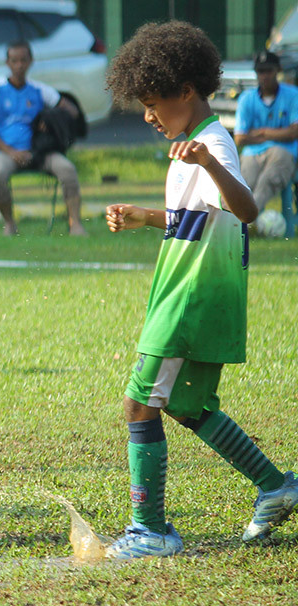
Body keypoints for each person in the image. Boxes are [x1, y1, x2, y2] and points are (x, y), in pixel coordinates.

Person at [103, 20, 298, 559]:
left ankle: (151, 530)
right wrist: (145, 216)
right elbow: (198, 216)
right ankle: (276, 484)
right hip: (189, 290)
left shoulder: (212, 143)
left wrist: (211, 161)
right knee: (188, 405)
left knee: (139, 403)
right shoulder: (193, 145)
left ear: (185, 91)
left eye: (152, 103)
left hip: (191, 296)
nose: (147, 116)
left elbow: (248, 209)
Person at [0, 40, 86, 236]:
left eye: (23, 60)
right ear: (7, 63)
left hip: (39, 151)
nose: (19, 65)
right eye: (14, 61)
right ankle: (9, 223)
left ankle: (75, 224)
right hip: (6, 152)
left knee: (67, 170)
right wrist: (10, 151)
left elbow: (72, 111)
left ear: (31, 61)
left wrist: (50, 119)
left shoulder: (39, 90)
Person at [234, 50, 298, 218]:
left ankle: (249, 220)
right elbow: (240, 138)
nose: (265, 76)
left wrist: (262, 132)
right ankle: (237, 221)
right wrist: (280, 133)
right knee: (245, 182)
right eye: (261, 71)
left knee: (267, 181)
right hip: (253, 153)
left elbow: (294, 133)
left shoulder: (292, 95)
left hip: (285, 152)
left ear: (278, 70)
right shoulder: (247, 98)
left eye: (269, 70)